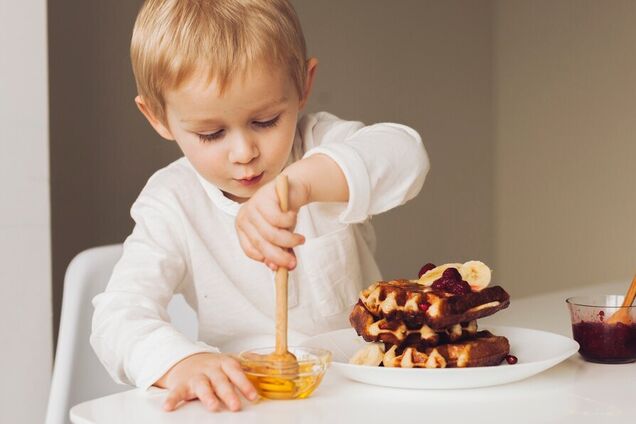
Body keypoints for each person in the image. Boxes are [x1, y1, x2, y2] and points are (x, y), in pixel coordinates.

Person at [90, 0, 429, 413]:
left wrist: (302, 182)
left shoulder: (320, 148)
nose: (244, 152)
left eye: (266, 121)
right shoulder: (172, 202)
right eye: (211, 133)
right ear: (157, 116)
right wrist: (182, 361)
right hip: (249, 404)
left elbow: (405, 154)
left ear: (304, 85)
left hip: (363, 394)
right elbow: (117, 316)